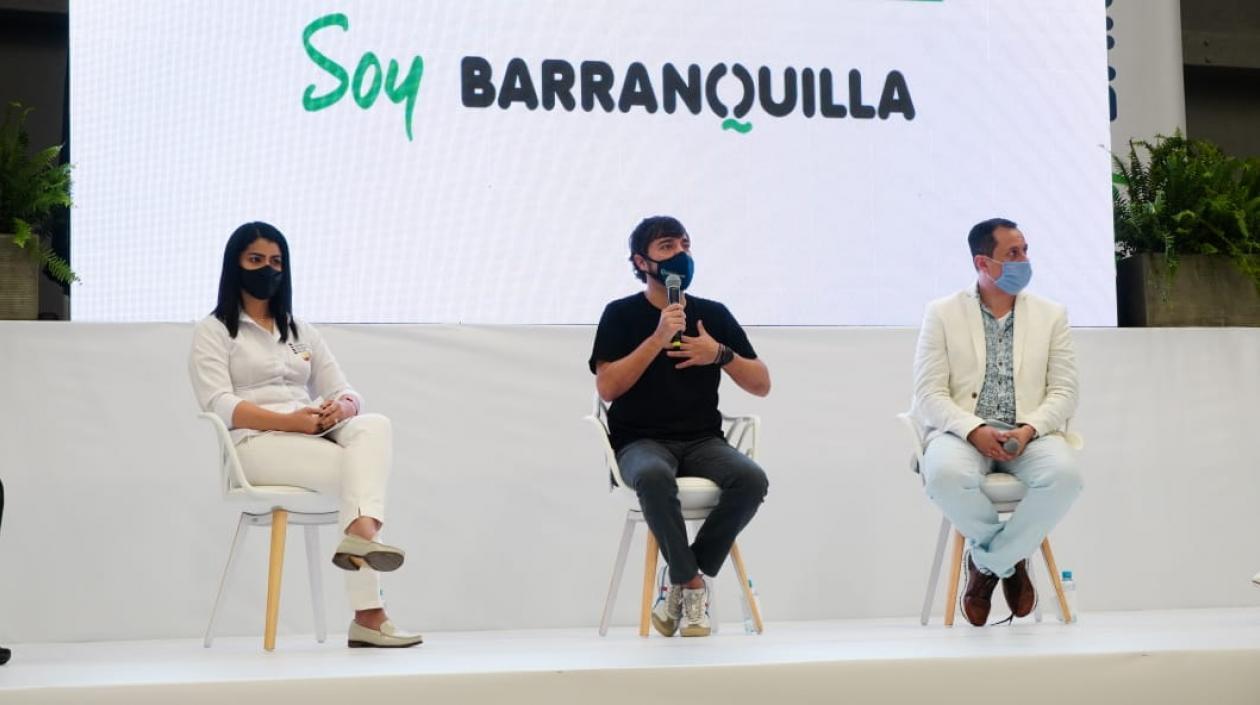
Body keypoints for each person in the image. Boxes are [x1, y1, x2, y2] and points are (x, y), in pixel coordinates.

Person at [189, 222, 421, 648]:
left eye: (276, 262)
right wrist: (290, 421)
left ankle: (361, 537)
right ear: (235, 265)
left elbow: (346, 389)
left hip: (313, 432)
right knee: (357, 473)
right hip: (255, 446)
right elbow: (218, 403)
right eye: (255, 260)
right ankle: (369, 610)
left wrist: (342, 407)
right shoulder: (215, 330)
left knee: (375, 425)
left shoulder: (300, 330)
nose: (267, 269)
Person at [589, 215, 770, 637]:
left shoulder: (713, 314)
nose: (681, 255)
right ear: (642, 262)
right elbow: (608, 387)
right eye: (667, 247)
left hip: (703, 440)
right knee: (653, 477)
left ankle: (680, 577)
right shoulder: (620, 315)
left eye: (685, 246)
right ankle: (692, 586)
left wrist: (719, 353)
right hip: (640, 441)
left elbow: (761, 384)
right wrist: (657, 338)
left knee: (751, 479)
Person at [911, 217, 1083, 626]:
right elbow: (929, 393)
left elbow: (1064, 391)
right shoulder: (942, 313)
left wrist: (1029, 430)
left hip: (1030, 433)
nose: (1024, 260)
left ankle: (987, 564)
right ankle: (1013, 560)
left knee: (1066, 478)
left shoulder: (1051, 315)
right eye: (1013, 253)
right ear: (983, 264)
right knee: (944, 477)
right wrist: (972, 429)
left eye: (1025, 250)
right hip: (964, 431)